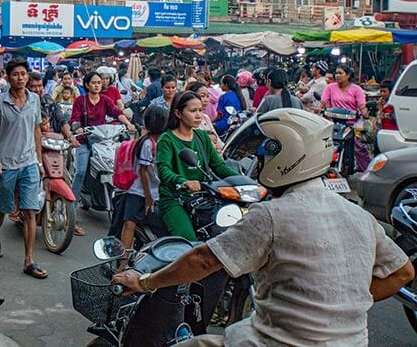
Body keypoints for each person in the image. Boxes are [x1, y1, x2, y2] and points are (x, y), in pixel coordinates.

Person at [113, 108, 415, 347]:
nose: (258, 162)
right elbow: (403, 272)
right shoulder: (359, 215)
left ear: (285, 157)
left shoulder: (271, 215)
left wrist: (146, 281)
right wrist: (340, 303)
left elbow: (201, 260)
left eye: (264, 154)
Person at [0, 58, 47, 279]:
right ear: (8, 77)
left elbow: (37, 130)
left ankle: (29, 260)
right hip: (7, 164)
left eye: (23, 74)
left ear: (28, 76)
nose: (20, 78)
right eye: (15, 74)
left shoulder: (35, 100)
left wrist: (39, 161)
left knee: (30, 211)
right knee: (4, 206)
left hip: (29, 162)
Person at [155, 91, 238, 240]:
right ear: (178, 113)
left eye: (200, 110)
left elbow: (218, 166)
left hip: (203, 196)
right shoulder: (167, 139)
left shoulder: (201, 136)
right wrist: (183, 182)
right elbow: (163, 170)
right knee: (189, 243)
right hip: (175, 198)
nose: (199, 115)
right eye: (193, 111)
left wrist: (243, 181)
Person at [70, 71, 136, 236]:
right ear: (87, 85)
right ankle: (72, 207)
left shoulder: (106, 100)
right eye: (94, 82)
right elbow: (74, 119)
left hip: (102, 141)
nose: (97, 85)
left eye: (99, 82)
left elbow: (117, 112)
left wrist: (128, 123)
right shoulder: (80, 101)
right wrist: (78, 128)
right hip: (85, 141)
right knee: (80, 171)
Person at [116, 105, 167, 253]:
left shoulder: (161, 141)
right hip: (139, 191)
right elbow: (143, 171)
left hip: (156, 190)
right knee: (129, 224)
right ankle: (123, 260)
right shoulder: (147, 143)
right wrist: (148, 196)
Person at [186, 81, 223, 150]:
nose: (206, 100)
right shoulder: (187, 121)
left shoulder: (206, 118)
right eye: (202, 96)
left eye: (207, 96)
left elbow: (218, 141)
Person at [355, 101, 378, 173]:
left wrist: (359, 138)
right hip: (367, 148)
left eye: (365, 109)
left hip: (366, 149)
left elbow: (370, 137)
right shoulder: (369, 120)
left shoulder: (368, 122)